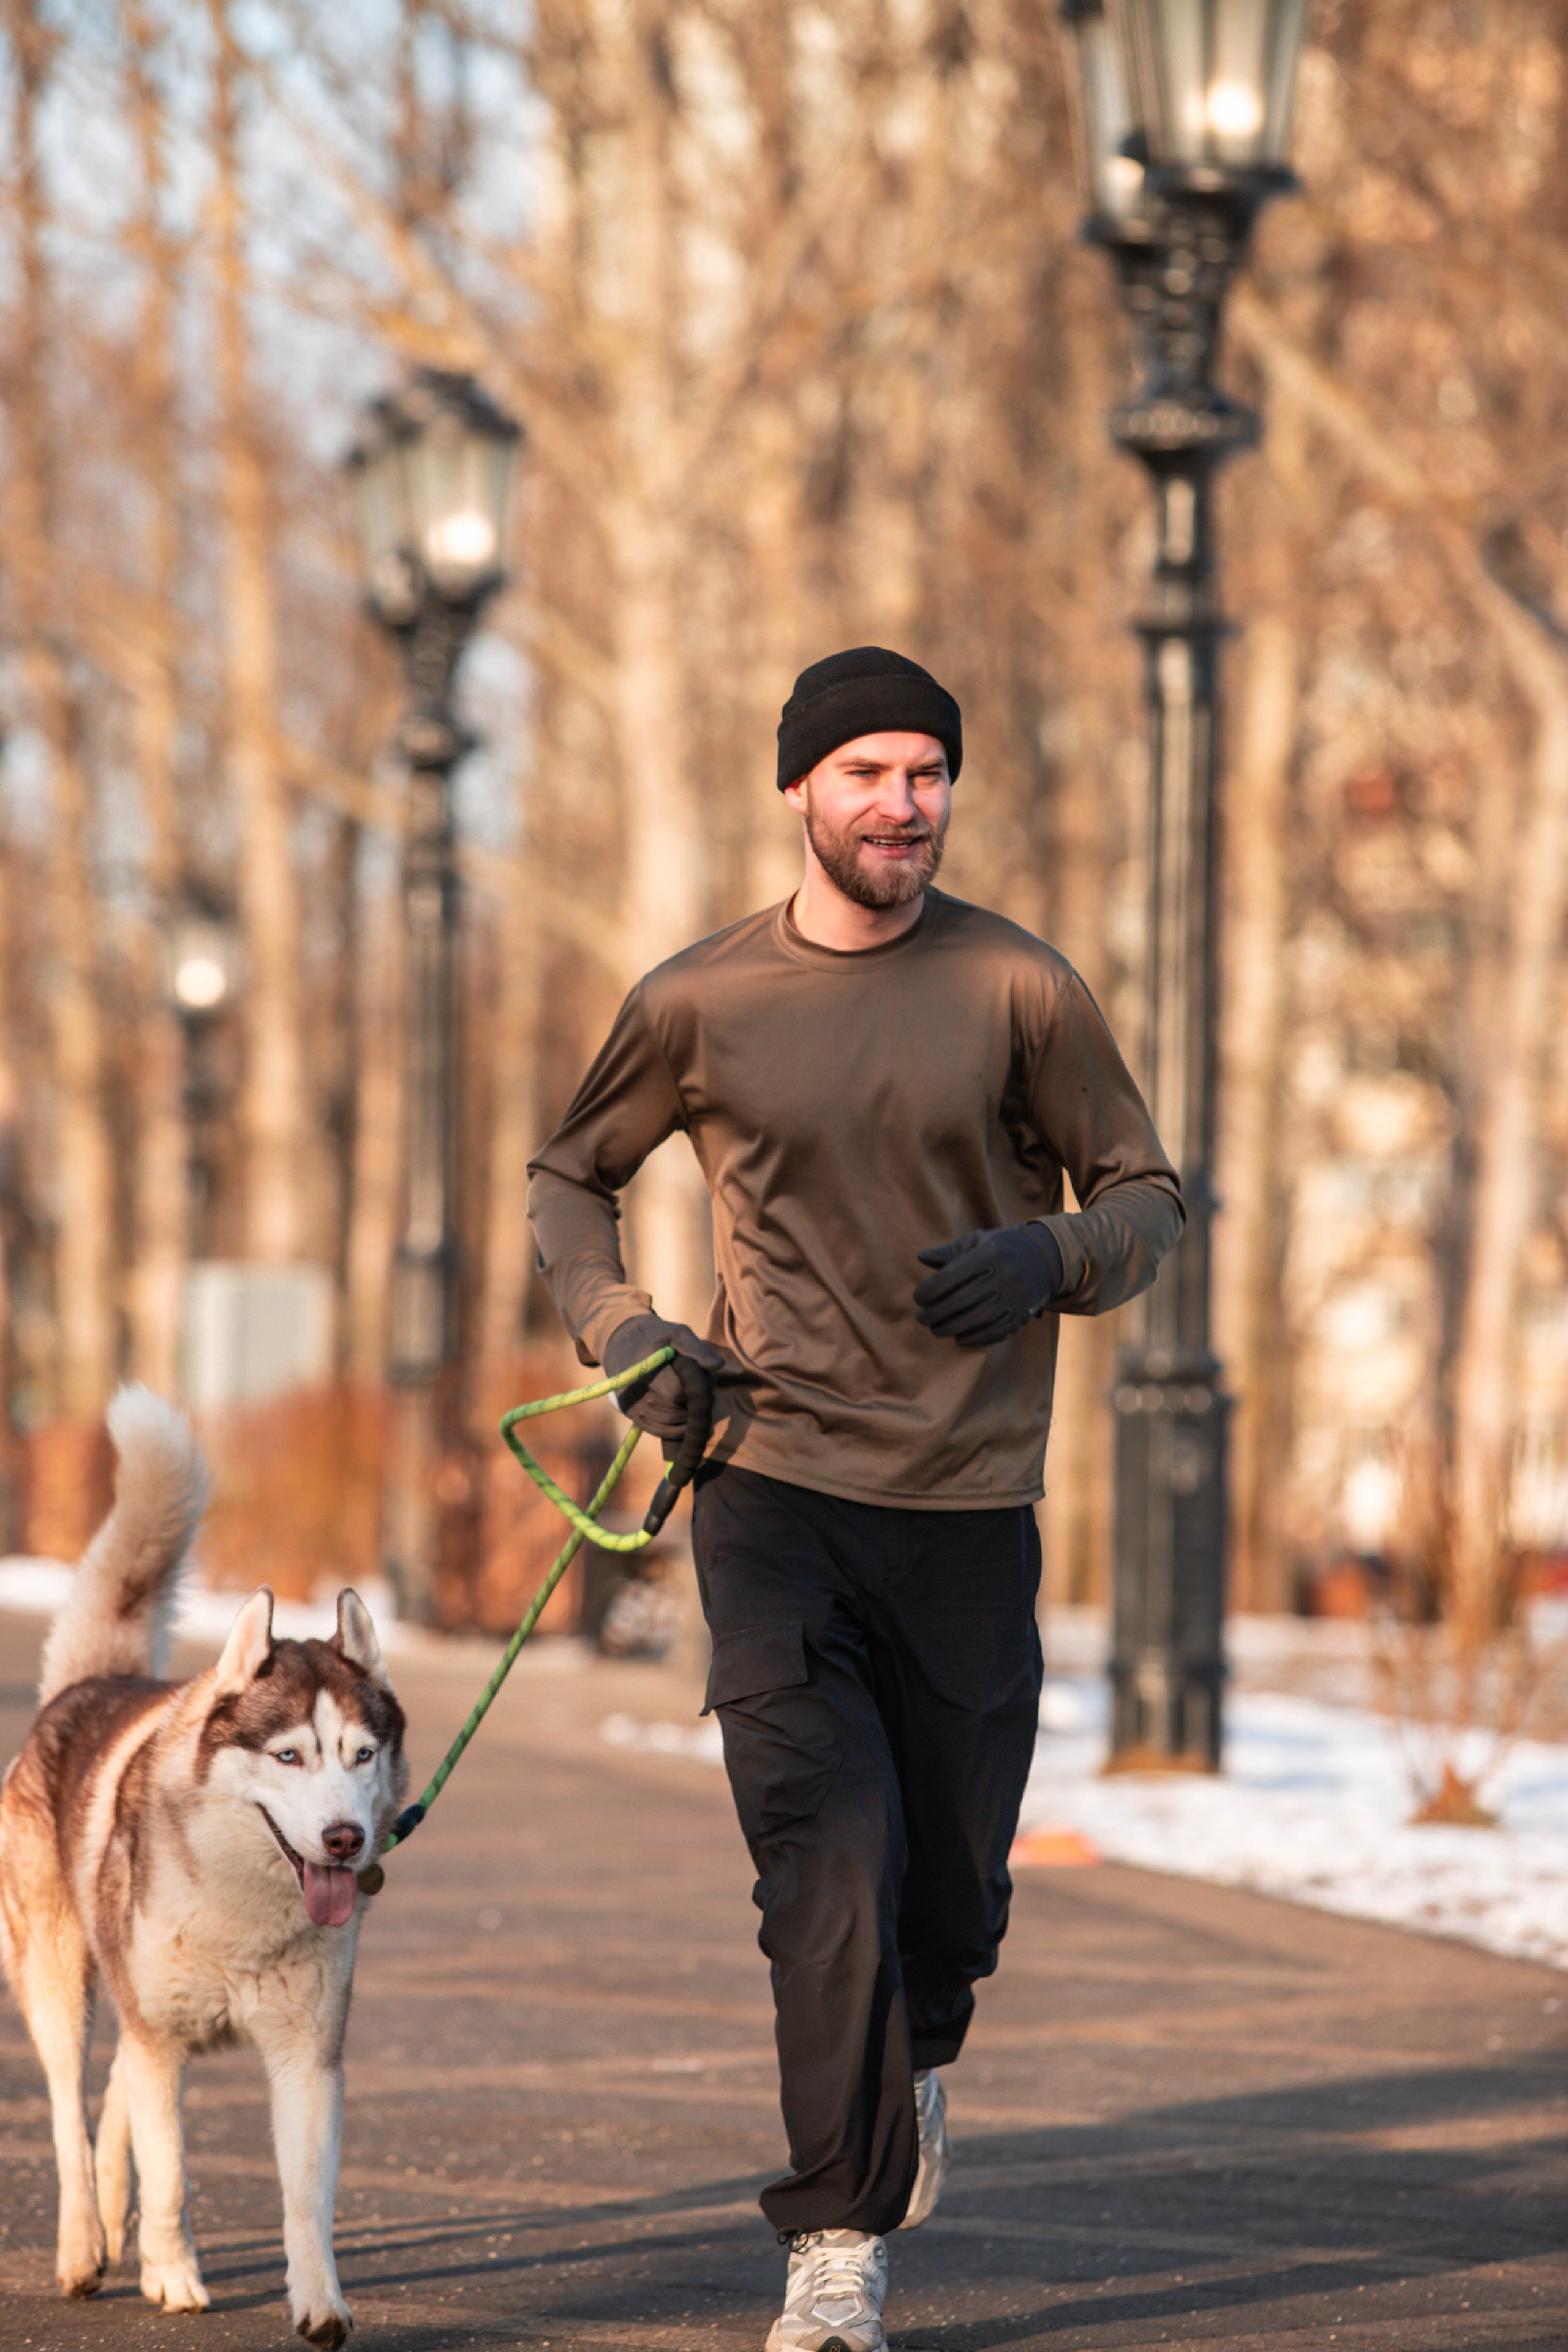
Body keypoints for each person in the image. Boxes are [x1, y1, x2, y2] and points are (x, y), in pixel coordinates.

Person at [527, 646, 1183, 2351]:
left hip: (966, 1504)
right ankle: (834, 2242)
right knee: (824, 1868)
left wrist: (1051, 1254)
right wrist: (629, 1334)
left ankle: (918, 2058)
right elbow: (570, 1178)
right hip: (772, 1486)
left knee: (949, 1900)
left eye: (926, 773)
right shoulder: (701, 1001)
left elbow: (1149, 1195)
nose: (903, 804)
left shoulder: (1018, 988)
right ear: (800, 792)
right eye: (868, 774)